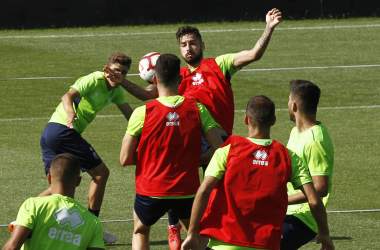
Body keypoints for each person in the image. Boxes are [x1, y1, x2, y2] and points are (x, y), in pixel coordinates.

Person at [105, 9, 283, 248]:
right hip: (187, 139)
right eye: (183, 44)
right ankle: (174, 227)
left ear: (202, 45)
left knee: (214, 192)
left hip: (215, 140)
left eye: (192, 43)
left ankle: (218, 231)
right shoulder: (175, 75)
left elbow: (253, 54)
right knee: (178, 182)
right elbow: (148, 94)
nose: (188, 48)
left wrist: (268, 28)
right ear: (179, 49)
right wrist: (122, 82)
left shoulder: (219, 65)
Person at [181, 95, 335, 250]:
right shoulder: (288, 157)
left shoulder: (227, 151)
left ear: (246, 119)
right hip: (266, 244)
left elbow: (204, 190)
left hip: (225, 243)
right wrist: (324, 234)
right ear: (273, 121)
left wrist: (191, 233)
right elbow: (314, 200)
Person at [119, 54, 223, 250]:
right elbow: (220, 149)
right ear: (181, 80)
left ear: (155, 80)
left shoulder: (143, 112)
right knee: (195, 235)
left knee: (141, 231)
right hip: (186, 189)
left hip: (150, 189)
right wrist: (200, 158)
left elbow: (125, 158)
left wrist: (149, 161)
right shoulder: (198, 109)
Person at [39, 52, 134, 244]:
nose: (119, 75)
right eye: (116, 70)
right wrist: (70, 113)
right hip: (62, 130)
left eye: (123, 72)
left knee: (59, 184)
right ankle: (93, 226)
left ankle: (23, 217)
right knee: (101, 174)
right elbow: (67, 96)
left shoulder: (116, 90)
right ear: (106, 69)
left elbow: (131, 117)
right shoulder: (93, 79)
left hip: (51, 134)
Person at [2, 153, 105, 250]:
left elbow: (11, 247)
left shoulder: (33, 205)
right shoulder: (93, 222)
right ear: (78, 181)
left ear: (49, 178)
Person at [281, 80, 334, 250]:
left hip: (303, 217)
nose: (287, 105)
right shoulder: (296, 132)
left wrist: (282, 200)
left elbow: (320, 188)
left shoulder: (315, 141)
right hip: (287, 212)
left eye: (288, 101)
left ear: (294, 105)